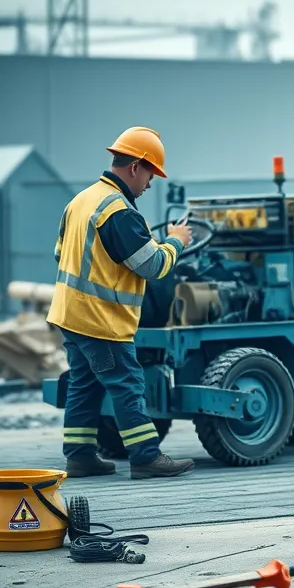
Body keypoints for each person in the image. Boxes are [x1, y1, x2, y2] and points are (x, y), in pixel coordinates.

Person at [46, 126, 196, 479]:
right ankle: (145, 457)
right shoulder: (119, 212)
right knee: (128, 382)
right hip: (102, 320)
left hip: (70, 314)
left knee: (84, 384)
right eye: (150, 175)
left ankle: (80, 455)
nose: (149, 184)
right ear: (135, 167)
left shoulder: (80, 201)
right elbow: (155, 266)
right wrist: (176, 241)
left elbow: (60, 254)